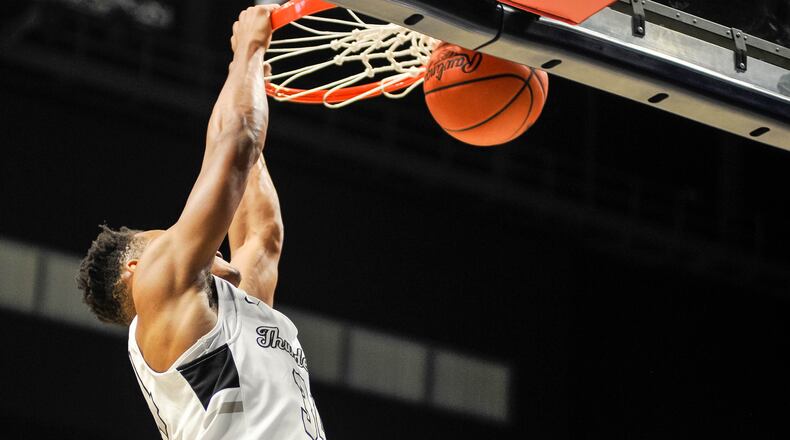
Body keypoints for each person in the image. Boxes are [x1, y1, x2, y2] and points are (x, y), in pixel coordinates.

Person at [75, 5, 326, 439]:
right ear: (136, 267)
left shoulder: (220, 319)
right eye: (165, 237)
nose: (185, 237)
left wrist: (243, 85)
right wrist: (246, 49)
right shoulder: (157, 285)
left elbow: (261, 236)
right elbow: (237, 145)